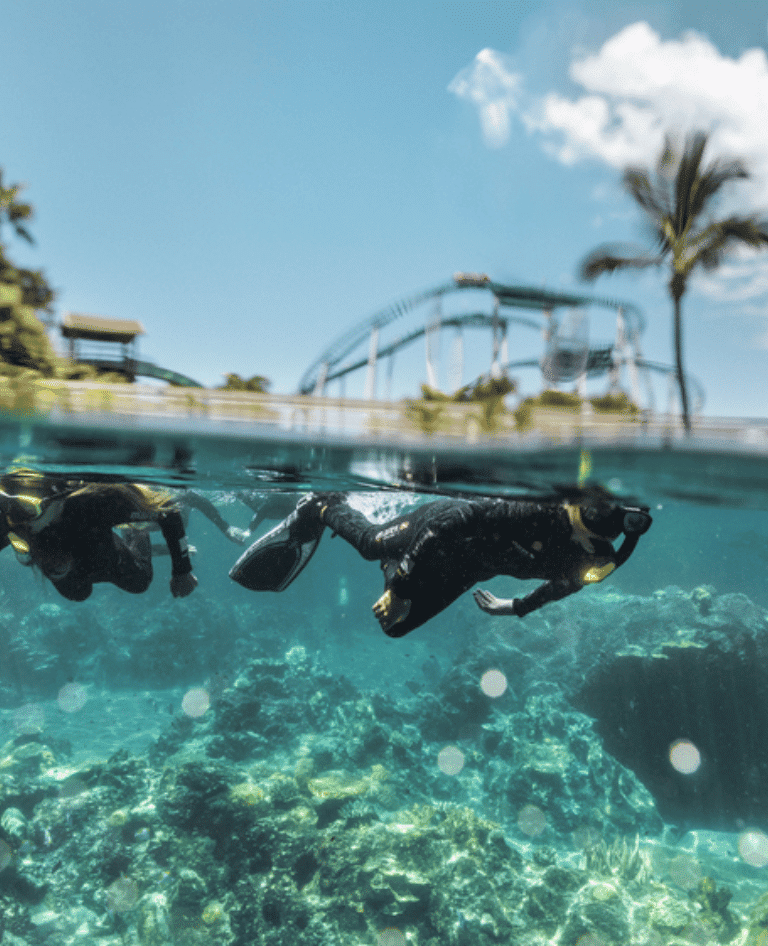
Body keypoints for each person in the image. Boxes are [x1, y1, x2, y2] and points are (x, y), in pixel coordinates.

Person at [231, 488, 651, 637]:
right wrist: (399, 589)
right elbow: (448, 524)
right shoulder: (535, 511)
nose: (592, 518)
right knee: (371, 544)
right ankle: (324, 507)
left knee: (395, 628)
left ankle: (397, 565)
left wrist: (515, 607)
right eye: (592, 509)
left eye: (607, 519)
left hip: (465, 569)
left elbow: (565, 585)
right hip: (438, 528)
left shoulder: (599, 560)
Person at [0, 470, 197, 601]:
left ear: (57, 501)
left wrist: (182, 571)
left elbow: (168, 512)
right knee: (78, 594)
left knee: (139, 583)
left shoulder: (92, 505)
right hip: (75, 573)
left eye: (26, 506)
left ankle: (134, 530)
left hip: (103, 556)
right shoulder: (8, 518)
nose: (15, 517)